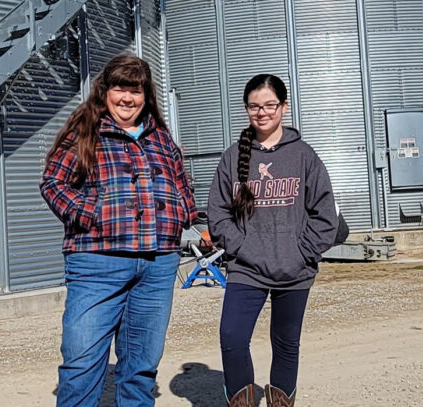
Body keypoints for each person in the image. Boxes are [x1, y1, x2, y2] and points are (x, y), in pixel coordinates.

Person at [40, 54, 197, 407]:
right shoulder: (84, 130)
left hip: (157, 263)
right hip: (98, 261)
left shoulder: (160, 136)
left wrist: (184, 212)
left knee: (141, 366)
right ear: (105, 91)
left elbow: (180, 181)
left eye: (135, 90)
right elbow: (53, 182)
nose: (127, 98)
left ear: (146, 95)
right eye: (119, 88)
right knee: (82, 363)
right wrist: (90, 214)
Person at [207, 74, 338, 407]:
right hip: (247, 269)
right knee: (232, 338)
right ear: (246, 109)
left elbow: (326, 217)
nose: (261, 113)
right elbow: (218, 215)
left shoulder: (304, 156)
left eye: (269, 105)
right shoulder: (233, 156)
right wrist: (243, 249)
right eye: (254, 106)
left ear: (284, 106)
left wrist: (301, 253)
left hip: (294, 270)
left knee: (286, 343)